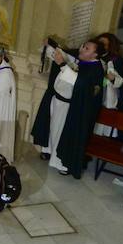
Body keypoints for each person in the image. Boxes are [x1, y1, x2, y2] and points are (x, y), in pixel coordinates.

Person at [31, 39, 106, 178]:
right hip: (58, 101)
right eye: (83, 45)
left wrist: (62, 65)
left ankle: (62, 163)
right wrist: (51, 47)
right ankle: (49, 151)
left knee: (61, 133)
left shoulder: (96, 70)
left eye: (87, 48)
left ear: (95, 55)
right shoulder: (84, 62)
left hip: (71, 109)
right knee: (53, 129)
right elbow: (67, 57)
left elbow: (81, 83)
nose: (82, 49)